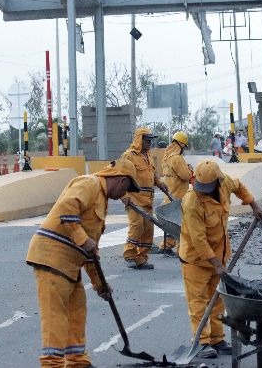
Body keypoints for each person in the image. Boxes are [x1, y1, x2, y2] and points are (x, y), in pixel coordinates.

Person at [26, 158, 141, 368]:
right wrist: (82, 239)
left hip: (70, 265)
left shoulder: (101, 200)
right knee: (56, 317)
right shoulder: (89, 183)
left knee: (77, 311)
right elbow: (66, 208)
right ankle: (52, 364)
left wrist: (100, 285)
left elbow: (91, 253)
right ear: (121, 180)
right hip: (52, 257)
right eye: (127, 188)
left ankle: (78, 362)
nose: (125, 194)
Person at [179, 160, 262, 359]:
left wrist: (254, 204)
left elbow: (239, 186)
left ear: (218, 182)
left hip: (219, 253)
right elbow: (198, 239)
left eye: (208, 188)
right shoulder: (192, 201)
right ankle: (201, 341)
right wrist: (216, 264)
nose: (204, 191)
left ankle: (217, 339)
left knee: (217, 299)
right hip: (195, 259)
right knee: (199, 301)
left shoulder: (225, 183)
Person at [121, 127, 171, 270]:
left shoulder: (148, 156)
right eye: (147, 140)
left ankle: (141, 258)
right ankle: (130, 255)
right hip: (134, 198)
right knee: (137, 226)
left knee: (148, 229)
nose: (149, 143)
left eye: (150, 140)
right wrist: (124, 196)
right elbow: (122, 177)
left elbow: (152, 175)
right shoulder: (129, 156)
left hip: (148, 200)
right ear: (139, 140)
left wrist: (160, 183)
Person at [157, 130, 193, 254]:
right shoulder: (177, 158)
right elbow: (185, 176)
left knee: (171, 224)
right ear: (182, 145)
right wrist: (190, 170)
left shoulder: (166, 158)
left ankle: (165, 246)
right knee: (181, 225)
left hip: (169, 195)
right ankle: (181, 250)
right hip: (178, 196)